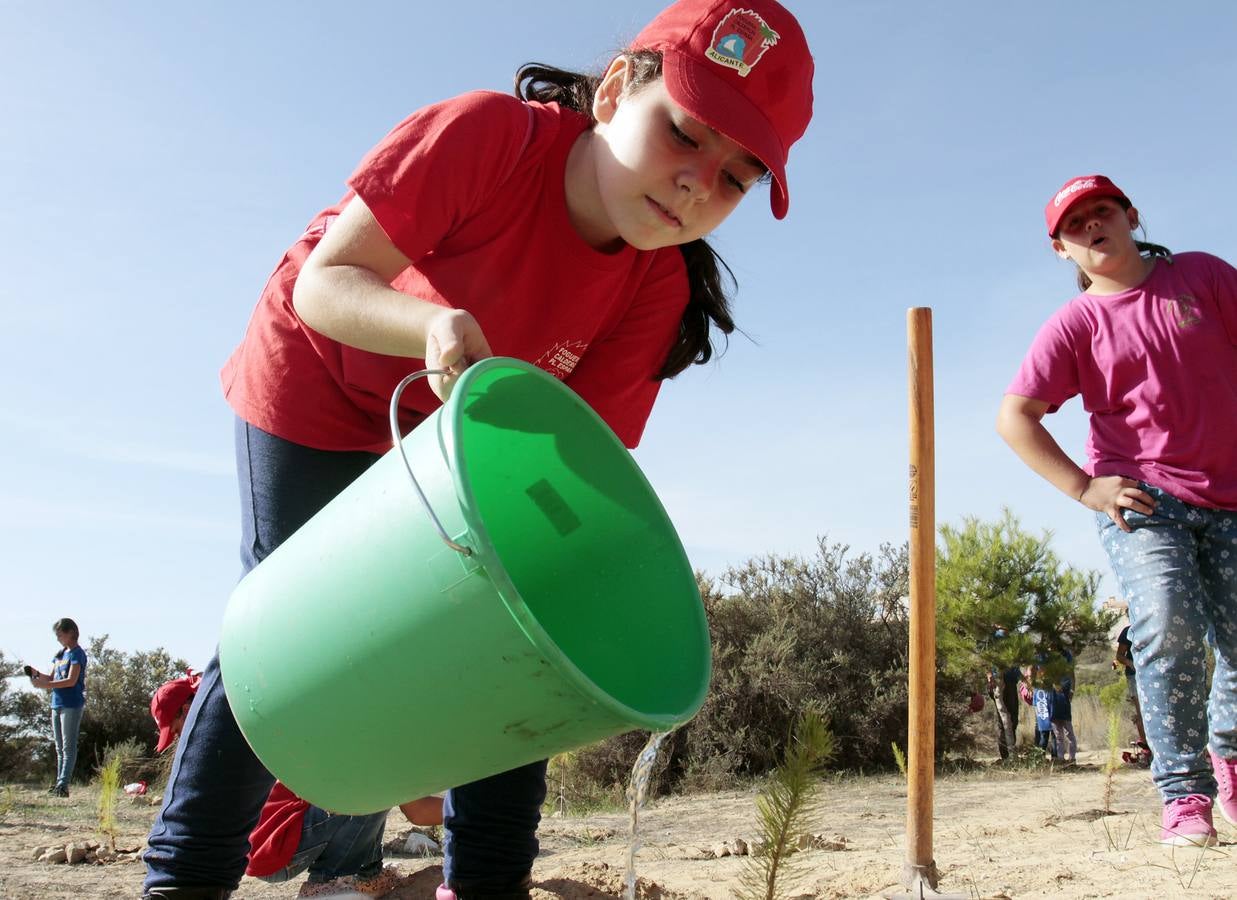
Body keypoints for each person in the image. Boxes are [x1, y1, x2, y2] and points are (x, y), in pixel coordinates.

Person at [141, 2, 815, 897]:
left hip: (455, 438)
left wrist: (585, 595)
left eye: (734, 177)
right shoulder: (486, 135)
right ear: (615, 91)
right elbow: (325, 285)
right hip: (318, 376)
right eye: (685, 134)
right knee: (282, 625)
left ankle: (489, 884)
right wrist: (429, 325)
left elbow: (573, 469)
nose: (698, 184)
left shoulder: (655, 287)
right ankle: (181, 881)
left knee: (524, 628)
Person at [997, 174, 1237, 847]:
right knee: (1164, 621)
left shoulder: (1203, 277)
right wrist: (1083, 489)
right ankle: (1183, 794)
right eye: (1075, 225)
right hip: (1142, 500)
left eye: (1102, 212)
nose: (1092, 227)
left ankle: (1229, 754)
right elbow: (1014, 417)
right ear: (1059, 250)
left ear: (1130, 215)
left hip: (1231, 496)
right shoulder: (1076, 324)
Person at [150, 675, 443, 898]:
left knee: (365, 783)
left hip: (268, 849)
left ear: (189, 707)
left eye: (177, 729)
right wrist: (473, 809)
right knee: (369, 787)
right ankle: (345, 881)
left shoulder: (241, 724)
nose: (181, 738)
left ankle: (341, 879)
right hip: (277, 849)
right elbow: (417, 811)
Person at [26, 618, 87, 798]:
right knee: (59, 748)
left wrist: (45, 686)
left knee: (68, 747)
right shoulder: (60, 654)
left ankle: (63, 785)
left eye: (60, 634)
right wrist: (35, 674)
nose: (58, 638)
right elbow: (51, 676)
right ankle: (59, 784)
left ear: (71, 633)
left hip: (71, 704)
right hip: (56, 703)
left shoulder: (77, 654)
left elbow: (71, 680)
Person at [1113, 616, 1151, 759]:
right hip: (1134, 675)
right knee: (1140, 709)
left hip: (1152, 674)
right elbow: (1119, 656)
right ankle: (1145, 745)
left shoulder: (1151, 628)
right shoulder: (1128, 632)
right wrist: (1130, 663)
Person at [1018, 669, 1055, 758]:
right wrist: (1030, 686)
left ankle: (1040, 756)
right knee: (1047, 727)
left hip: (1042, 694)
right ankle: (1046, 756)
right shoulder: (1040, 658)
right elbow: (1030, 671)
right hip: (1042, 694)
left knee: (1042, 726)